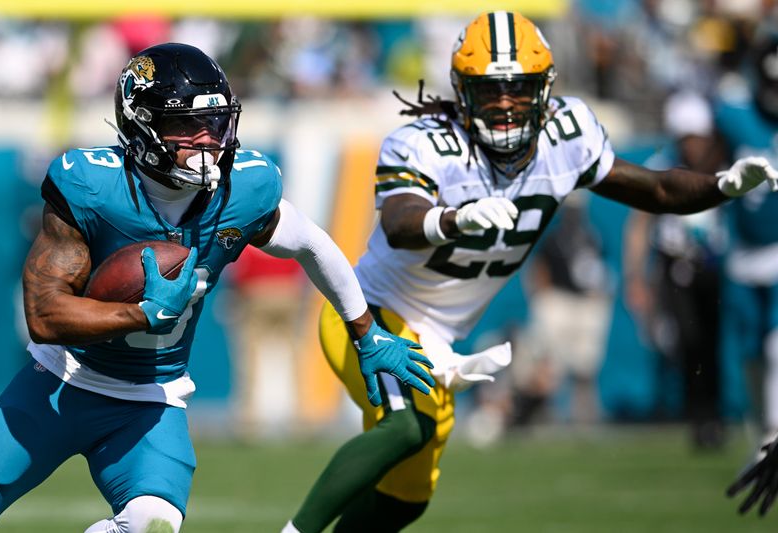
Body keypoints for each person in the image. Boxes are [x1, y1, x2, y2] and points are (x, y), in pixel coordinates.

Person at [282, 11, 778, 533]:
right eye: (490, 89)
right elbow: (402, 220)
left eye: (518, 88)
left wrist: (719, 187)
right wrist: (453, 219)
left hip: (438, 337)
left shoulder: (567, 136)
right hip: (368, 316)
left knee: (407, 498)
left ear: (543, 89)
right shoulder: (426, 142)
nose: (503, 103)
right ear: (462, 91)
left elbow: (653, 189)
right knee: (407, 428)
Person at [0, 43, 434, 533]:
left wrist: (365, 332)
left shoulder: (243, 190)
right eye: (184, 126)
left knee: (153, 525)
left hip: (151, 400)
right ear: (141, 126)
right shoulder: (93, 186)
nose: (206, 140)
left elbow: (311, 244)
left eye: (215, 123)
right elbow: (44, 316)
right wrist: (143, 314)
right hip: (59, 382)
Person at [624, 89, 728, 449]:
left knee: (711, 343)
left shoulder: (724, 161)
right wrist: (635, 276)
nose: (694, 146)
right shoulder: (661, 164)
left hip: (716, 266)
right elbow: (639, 224)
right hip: (675, 265)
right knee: (686, 340)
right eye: (688, 138)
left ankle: (713, 415)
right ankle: (696, 415)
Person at [720, 32, 778, 517]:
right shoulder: (733, 112)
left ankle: (772, 443)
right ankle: (764, 441)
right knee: (750, 358)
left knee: (777, 347)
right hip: (742, 253)